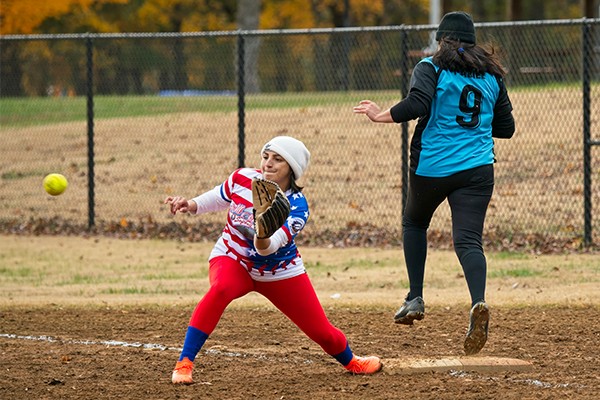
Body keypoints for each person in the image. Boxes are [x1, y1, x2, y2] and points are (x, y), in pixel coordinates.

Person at [353, 11, 515, 355]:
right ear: (473, 42)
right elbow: (506, 128)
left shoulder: (431, 67)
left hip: (434, 166)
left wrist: (380, 114)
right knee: (469, 241)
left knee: (414, 222)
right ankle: (478, 302)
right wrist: (473, 128)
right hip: (478, 169)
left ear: (441, 40)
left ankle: (415, 297)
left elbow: (418, 103)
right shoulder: (493, 76)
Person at [164, 135, 382, 384]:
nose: (268, 163)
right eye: (266, 156)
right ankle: (184, 362)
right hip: (233, 257)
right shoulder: (244, 177)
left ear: (292, 169)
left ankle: (351, 361)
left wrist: (263, 234)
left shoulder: (296, 206)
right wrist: (190, 204)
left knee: (322, 332)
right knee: (222, 288)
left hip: (278, 271)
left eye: (278, 160)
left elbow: (268, 249)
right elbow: (220, 195)